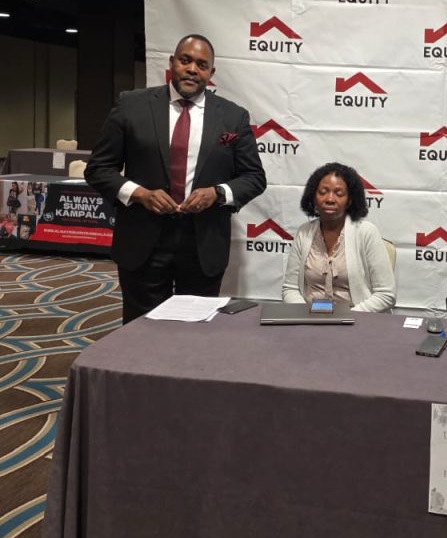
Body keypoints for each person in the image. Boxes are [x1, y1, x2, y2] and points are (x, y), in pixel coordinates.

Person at [85, 34, 267, 323]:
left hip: (203, 244)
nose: (192, 69)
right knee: (140, 329)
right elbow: (98, 169)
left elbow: (254, 177)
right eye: (186, 60)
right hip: (142, 240)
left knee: (194, 333)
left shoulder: (233, 117)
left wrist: (217, 193)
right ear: (172, 63)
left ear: (211, 73)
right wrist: (140, 194)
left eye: (202, 65)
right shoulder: (132, 105)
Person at [282, 162, 396, 312]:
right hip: (310, 318)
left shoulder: (366, 232)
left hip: (358, 319)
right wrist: (305, 315)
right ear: (313, 198)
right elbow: (290, 289)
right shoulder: (304, 232)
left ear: (349, 200)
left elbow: (386, 294)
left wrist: (347, 317)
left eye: (339, 193)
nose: (330, 199)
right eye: (323, 192)